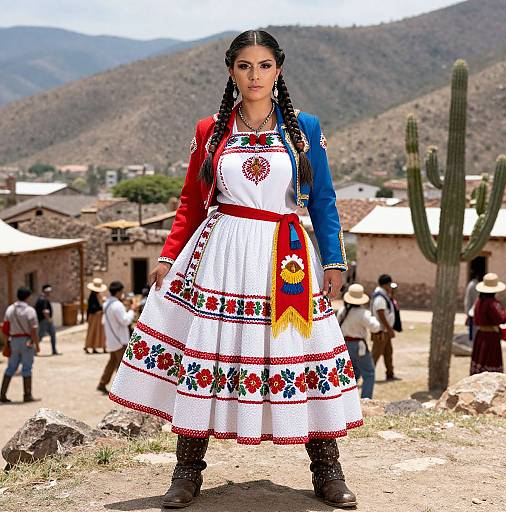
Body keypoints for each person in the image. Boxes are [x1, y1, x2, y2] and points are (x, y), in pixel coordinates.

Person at [108, 30, 362, 509]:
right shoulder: (210, 130)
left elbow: (324, 200)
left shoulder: (304, 127)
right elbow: (189, 202)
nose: (255, 75)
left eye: (264, 65)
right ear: (231, 71)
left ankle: (326, 469)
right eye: (245, 66)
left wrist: (333, 260)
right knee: (208, 352)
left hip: (285, 257)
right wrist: (167, 256)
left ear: (278, 71)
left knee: (297, 350)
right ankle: (186, 472)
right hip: (221, 254)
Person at [337, 284, 380, 399]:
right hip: (359, 346)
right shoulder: (363, 313)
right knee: (369, 373)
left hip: (345, 345)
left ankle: (347, 397)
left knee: (351, 372)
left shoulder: (342, 311)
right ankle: (366, 398)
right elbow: (375, 327)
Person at [1, 287, 40, 403]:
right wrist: (37, 344)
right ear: (27, 297)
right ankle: (27, 395)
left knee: (10, 368)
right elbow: (33, 330)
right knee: (27, 367)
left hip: (13, 341)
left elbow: (5, 328)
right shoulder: (30, 311)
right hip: (27, 341)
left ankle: (2, 394)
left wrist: (6, 344)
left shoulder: (10, 309)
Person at [97, 281, 136, 395]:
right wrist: (132, 310)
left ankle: (102, 383)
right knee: (122, 366)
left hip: (112, 339)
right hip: (120, 340)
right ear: (118, 292)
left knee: (112, 363)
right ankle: (123, 390)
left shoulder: (107, 304)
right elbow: (125, 320)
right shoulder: (117, 305)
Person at [470, 273, 506, 375]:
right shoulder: (492, 303)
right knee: (491, 360)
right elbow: (501, 319)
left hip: (480, 335)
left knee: (481, 360)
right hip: (491, 337)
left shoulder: (479, 302)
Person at [370, 274, 399, 381]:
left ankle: (390, 374)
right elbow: (380, 313)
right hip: (381, 331)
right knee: (375, 354)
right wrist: (389, 329)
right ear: (386, 284)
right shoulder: (380, 297)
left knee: (388, 353)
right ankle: (369, 375)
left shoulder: (384, 295)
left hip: (385, 330)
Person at [84, 278, 107, 354]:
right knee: (92, 332)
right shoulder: (92, 297)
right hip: (94, 316)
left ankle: (96, 347)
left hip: (98, 316)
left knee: (98, 332)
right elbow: (92, 308)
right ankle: (88, 347)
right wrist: (101, 307)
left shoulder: (97, 295)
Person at [35, 284, 59, 355]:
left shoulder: (43, 299)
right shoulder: (43, 300)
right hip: (44, 321)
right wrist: (49, 319)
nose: (50, 293)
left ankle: (54, 350)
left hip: (45, 320)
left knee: (52, 334)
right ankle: (33, 350)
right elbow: (45, 311)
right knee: (40, 336)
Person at [464, 271, 479, 342]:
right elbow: (476, 300)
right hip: (473, 313)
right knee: (474, 333)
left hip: (470, 311)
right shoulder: (475, 285)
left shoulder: (470, 284)